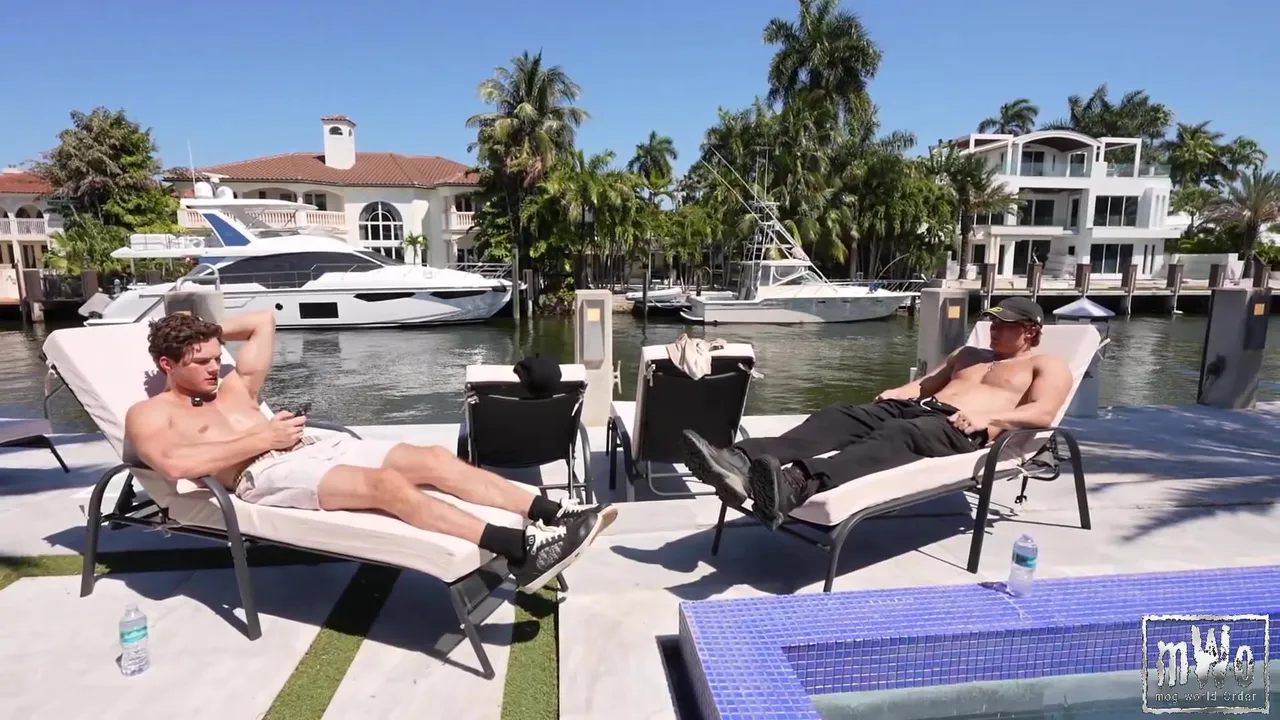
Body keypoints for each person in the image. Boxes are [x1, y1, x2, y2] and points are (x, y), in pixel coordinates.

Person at [124, 311, 615, 593]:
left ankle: (555, 511)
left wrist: (199, 328)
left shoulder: (234, 388)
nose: (215, 367)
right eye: (202, 362)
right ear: (167, 364)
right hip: (262, 473)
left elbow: (261, 322)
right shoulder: (151, 414)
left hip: (311, 444)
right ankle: (520, 551)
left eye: (217, 357)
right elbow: (174, 465)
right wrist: (263, 439)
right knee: (385, 486)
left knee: (433, 459)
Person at [682, 297, 1073, 530]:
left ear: (1030, 331)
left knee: (897, 437)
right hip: (918, 408)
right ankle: (738, 459)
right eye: (992, 322)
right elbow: (925, 384)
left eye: (1005, 325)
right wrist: (898, 393)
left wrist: (994, 421)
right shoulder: (968, 354)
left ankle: (795, 483)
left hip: (960, 427)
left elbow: (1043, 413)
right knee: (838, 416)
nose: (994, 329)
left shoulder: (1047, 364)